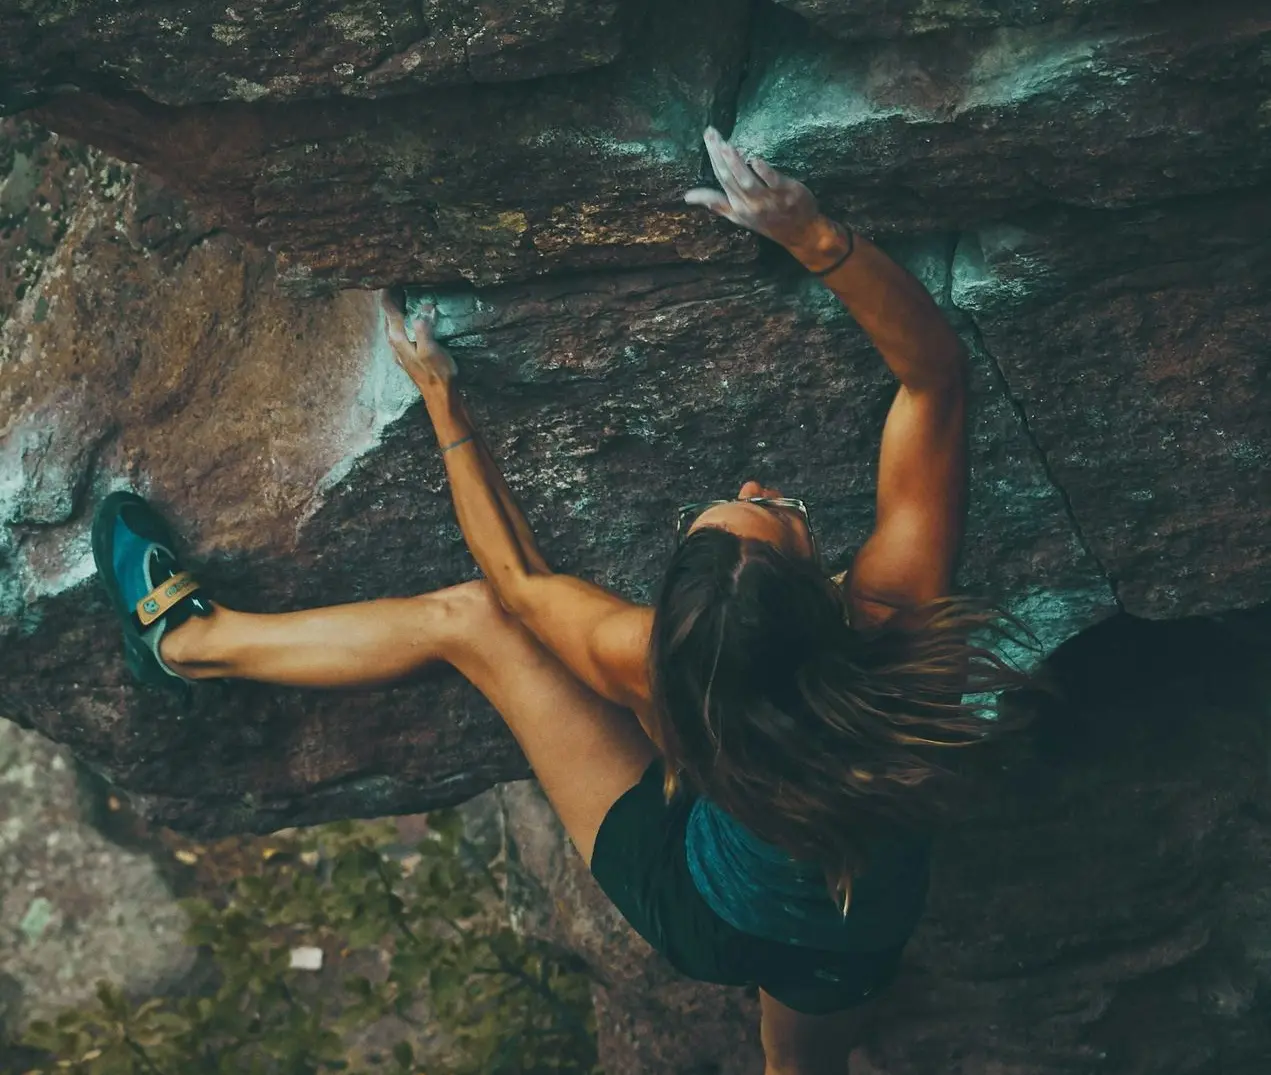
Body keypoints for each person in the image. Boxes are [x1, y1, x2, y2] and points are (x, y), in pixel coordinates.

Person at [93, 127, 1031, 1074]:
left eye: (756, 507)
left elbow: (517, 587)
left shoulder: (653, 660)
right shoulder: (900, 633)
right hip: (844, 944)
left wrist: (444, 404)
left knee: (471, 621)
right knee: (798, 1061)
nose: (756, 486)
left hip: (697, 906)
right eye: (765, 509)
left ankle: (189, 641)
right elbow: (934, 378)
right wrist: (812, 234)